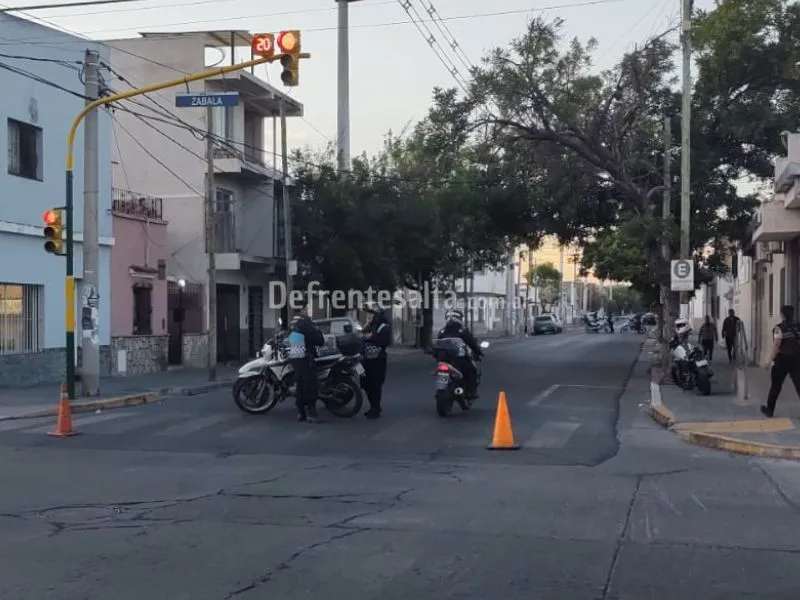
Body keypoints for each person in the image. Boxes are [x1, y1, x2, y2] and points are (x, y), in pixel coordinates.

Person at [286, 303, 325, 423]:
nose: (309, 311)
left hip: (295, 360)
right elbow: (319, 340)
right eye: (307, 308)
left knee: (300, 386)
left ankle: (301, 413)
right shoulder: (306, 323)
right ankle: (311, 413)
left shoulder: (292, 324)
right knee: (310, 386)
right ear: (302, 310)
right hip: (306, 359)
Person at [761, 305, 800, 418]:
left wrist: (768, 361)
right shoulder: (798, 326)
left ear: (782, 314)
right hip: (796, 359)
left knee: (776, 386)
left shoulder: (779, 328)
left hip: (781, 360)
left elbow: (777, 345)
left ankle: (770, 410)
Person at [436, 308, 483, 398]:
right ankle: (470, 392)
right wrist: (478, 352)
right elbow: (472, 343)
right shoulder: (462, 330)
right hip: (460, 360)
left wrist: (434, 352)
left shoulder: (442, 331)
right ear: (460, 318)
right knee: (472, 370)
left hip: (445, 360)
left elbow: (437, 344)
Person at [361, 303, 392, 419]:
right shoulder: (368, 325)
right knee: (365, 384)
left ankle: (376, 408)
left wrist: (371, 337)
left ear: (377, 314)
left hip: (377, 360)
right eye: (368, 313)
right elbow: (361, 336)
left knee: (375, 385)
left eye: (371, 313)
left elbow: (385, 341)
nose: (368, 316)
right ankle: (373, 406)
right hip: (365, 359)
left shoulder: (384, 326)